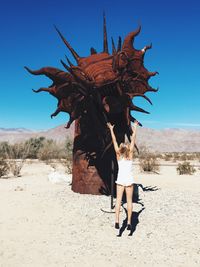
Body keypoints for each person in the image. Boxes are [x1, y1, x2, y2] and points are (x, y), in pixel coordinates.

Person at [107, 120, 139, 230]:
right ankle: (129, 222)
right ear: (127, 147)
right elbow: (133, 139)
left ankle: (117, 221)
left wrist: (111, 129)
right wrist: (135, 127)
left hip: (120, 180)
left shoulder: (118, 155)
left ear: (121, 148)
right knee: (129, 201)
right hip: (129, 180)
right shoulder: (130, 154)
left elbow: (114, 140)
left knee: (119, 201)